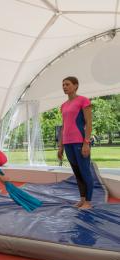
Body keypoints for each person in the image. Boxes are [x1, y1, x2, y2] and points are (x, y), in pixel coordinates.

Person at [57, 76, 93, 209]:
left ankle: (88, 202)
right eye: (63, 85)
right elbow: (63, 126)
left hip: (79, 141)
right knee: (77, 173)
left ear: (76, 85)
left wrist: (86, 142)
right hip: (67, 143)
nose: (65, 87)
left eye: (67, 84)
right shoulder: (63, 105)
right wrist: (60, 147)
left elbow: (89, 123)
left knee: (85, 171)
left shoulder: (83, 100)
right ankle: (82, 199)